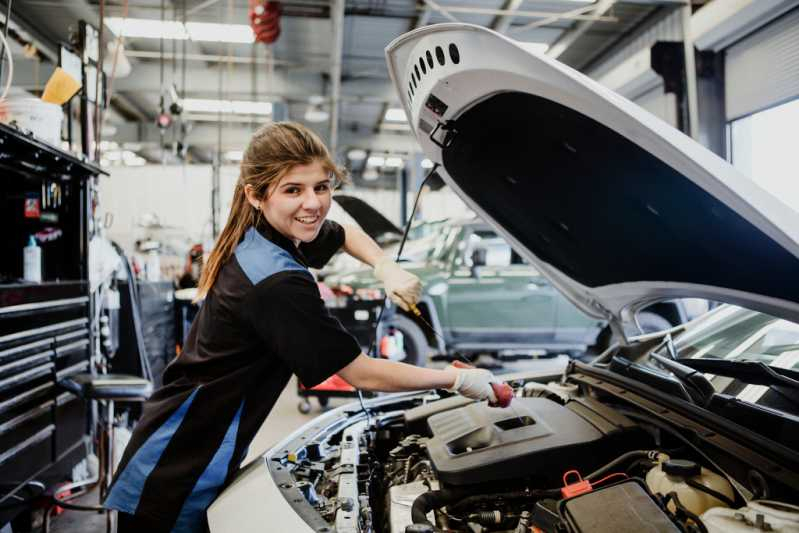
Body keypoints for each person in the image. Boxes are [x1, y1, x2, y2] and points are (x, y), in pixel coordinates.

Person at [103, 122, 503, 532]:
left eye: (322, 187)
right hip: (176, 470)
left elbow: (345, 232)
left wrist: (385, 266)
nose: (312, 203)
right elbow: (359, 371)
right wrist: (453, 380)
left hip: (183, 448)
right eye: (293, 189)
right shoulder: (276, 282)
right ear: (256, 196)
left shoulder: (271, 235)